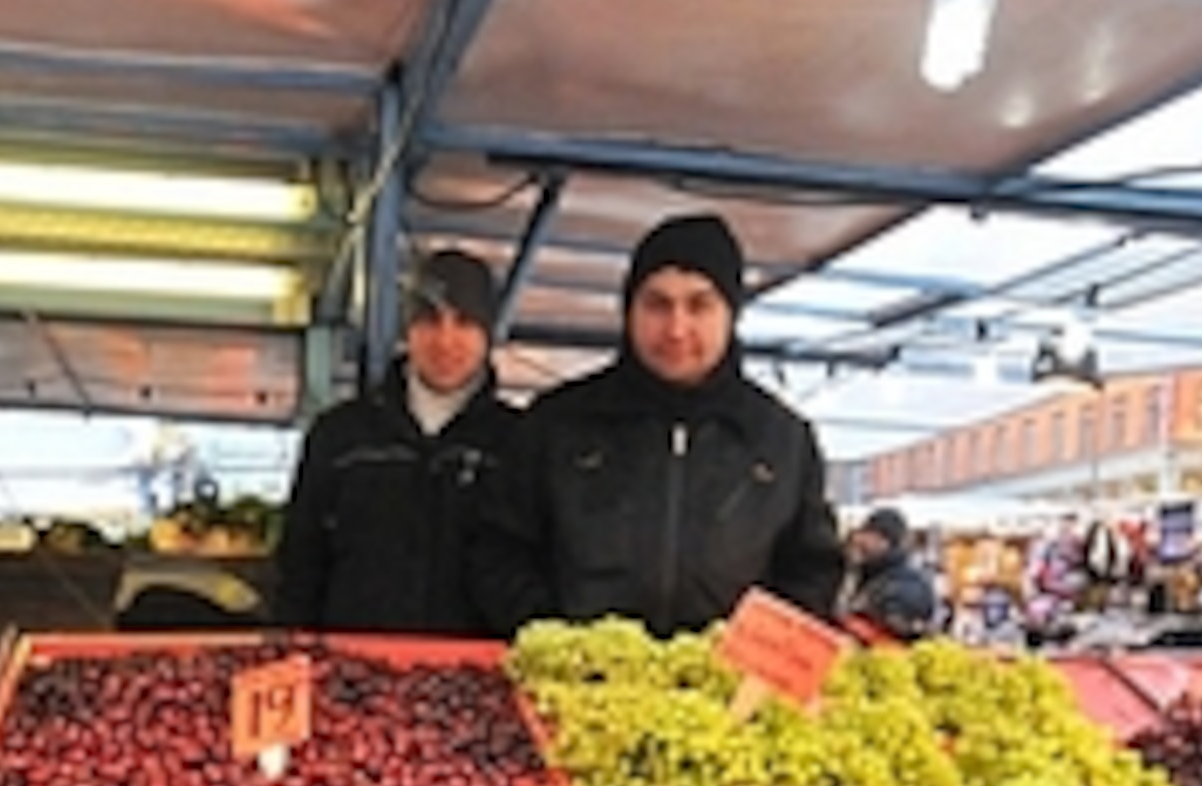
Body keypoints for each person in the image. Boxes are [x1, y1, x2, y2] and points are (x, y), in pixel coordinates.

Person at [467, 213, 843, 639]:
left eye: (699, 305)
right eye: (657, 304)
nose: (676, 329)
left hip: (722, 697)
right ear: (629, 310)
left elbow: (813, 573)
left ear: (731, 314)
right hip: (573, 692)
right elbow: (500, 550)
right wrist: (553, 637)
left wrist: (751, 657)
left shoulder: (782, 441)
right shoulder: (557, 423)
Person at [272, 247, 518, 636]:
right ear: (407, 329)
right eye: (429, 321)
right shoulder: (339, 435)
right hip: (352, 672)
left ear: (490, 333)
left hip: (474, 675)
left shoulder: (520, 444)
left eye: (465, 322)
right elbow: (300, 565)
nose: (445, 340)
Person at [840, 506, 941, 642]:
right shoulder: (869, 575)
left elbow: (899, 630)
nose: (859, 540)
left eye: (867, 534)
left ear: (884, 541)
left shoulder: (907, 584)